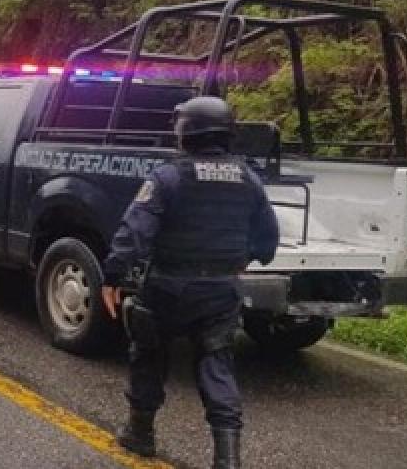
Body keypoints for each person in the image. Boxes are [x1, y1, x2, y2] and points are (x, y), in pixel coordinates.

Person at [100, 96, 279, 469]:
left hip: (167, 287)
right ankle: (226, 459)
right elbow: (267, 238)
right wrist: (244, 260)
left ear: (185, 132)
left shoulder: (168, 176)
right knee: (217, 364)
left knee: (148, 355)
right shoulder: (248, 177)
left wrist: (113, 275)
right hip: (220, 290)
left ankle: (140, 434)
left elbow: (135, 231)